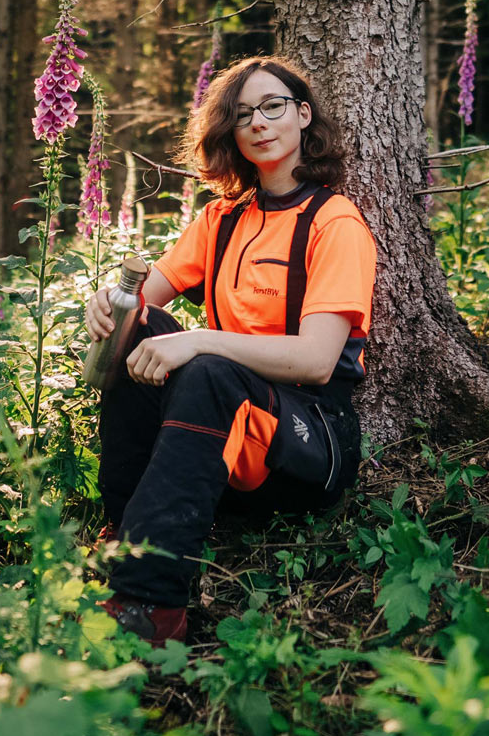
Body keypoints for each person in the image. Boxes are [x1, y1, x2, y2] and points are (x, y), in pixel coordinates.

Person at [85, 56, 378, 643]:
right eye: (243, 114)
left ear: (302, 115)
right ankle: (126, 525)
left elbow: (318, 360)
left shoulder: (334, 222)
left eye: (273, 107)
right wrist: (108, 304)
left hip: (306, 442)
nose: (259, 123)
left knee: (206, 367)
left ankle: (152, 604)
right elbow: (145, 300)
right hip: (225, 436)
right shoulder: (221, 219)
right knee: (142, 330)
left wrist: (195, 342)